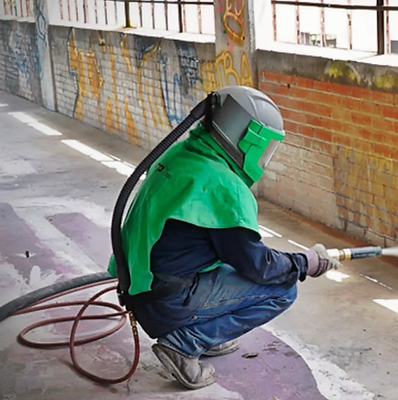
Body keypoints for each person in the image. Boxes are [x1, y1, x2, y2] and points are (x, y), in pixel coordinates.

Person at [107, 86, 341, 390]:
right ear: (246, 137)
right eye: (265, 146)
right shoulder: (223, 186)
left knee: (233, 269)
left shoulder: (183, 155)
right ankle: (184, 342)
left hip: (143, 287)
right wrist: (304, 262)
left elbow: (235, 253)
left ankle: (204, 331)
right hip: (166, 300)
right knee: (283, 289)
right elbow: (260, 267)